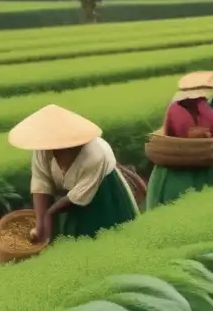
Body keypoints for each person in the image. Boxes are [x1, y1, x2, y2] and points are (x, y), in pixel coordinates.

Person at [7, 104, 139, 242]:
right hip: (68, 196)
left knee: (105, 236)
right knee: (65, 239)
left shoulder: (95, 155)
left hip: (101, 192)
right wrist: (40, 223)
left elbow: (78, 195)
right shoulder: (42, 150)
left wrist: (50, 213)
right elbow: (41, 182)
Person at [144, 86, 213, 209]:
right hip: (205, 161)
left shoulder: (175, 110)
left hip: (176, 165)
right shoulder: (208, 111)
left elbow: (169, 132)